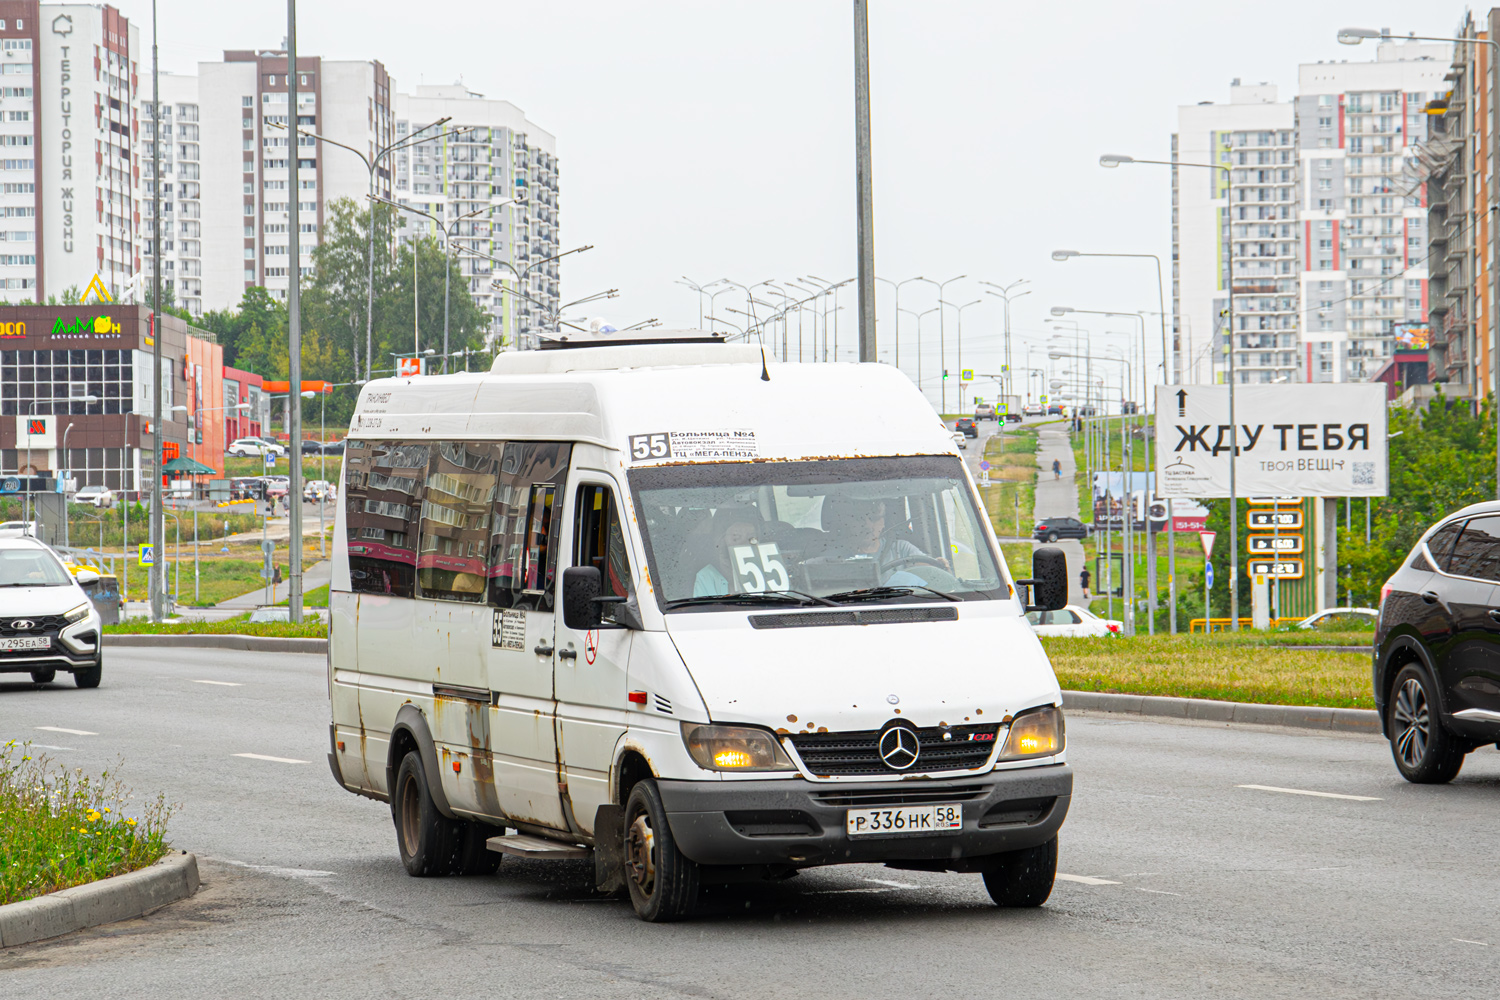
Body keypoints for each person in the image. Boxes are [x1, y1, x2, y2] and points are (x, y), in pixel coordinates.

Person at [822, 497, 945, 585]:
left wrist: (940, 568)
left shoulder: (901, 549)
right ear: (847, 522)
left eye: (874, 518)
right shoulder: (832, 557)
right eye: (859, 519)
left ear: (883, 522)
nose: (868, 526)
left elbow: (930, 575)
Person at [692, 506, 762, 597]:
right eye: (736, 537)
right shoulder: (707, 577)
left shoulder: (771, 569)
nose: (744, 544)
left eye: (752, 538)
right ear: (721, 540)